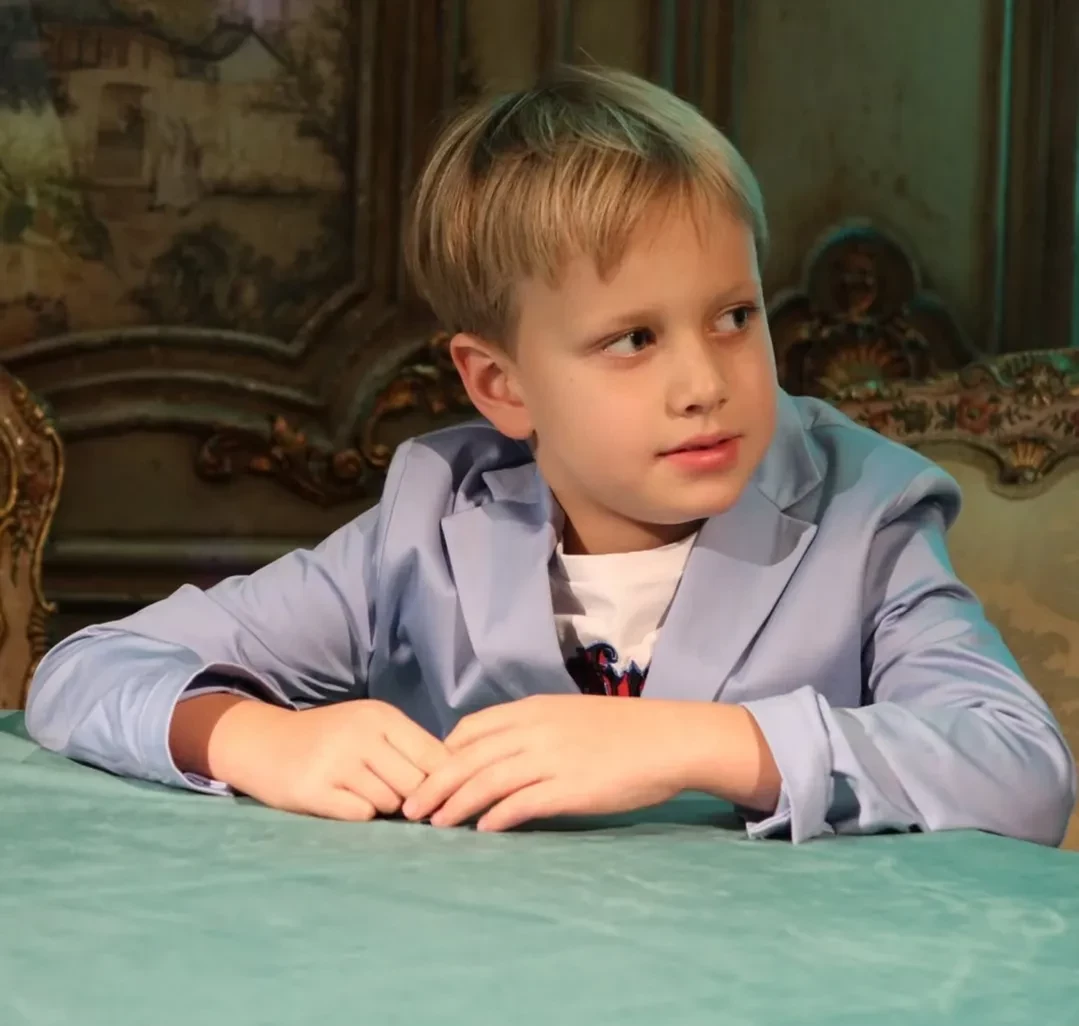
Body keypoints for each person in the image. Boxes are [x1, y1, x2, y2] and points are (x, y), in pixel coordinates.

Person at [25, 66, 1076, 845]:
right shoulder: (426, 526)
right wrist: (255, 739)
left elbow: (1022, 772)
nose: (702, 382)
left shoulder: (865, 515)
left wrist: (698, 744)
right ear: (500, 386)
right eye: (633, 339)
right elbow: (83, 671)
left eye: (732, 316)